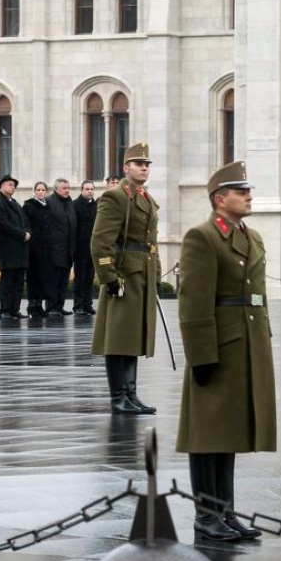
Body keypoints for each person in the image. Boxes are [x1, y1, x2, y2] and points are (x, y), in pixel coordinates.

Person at [176, 161, 277, 542]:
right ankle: (206, 516)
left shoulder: (251, 236)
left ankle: (225, 512)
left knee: (228, 433)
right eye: (241, 191)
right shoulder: (202, 237)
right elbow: (194, 302)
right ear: (221, 199)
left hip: (245, 342)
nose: (249, 196)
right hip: (218, 344)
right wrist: (201, 355)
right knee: (207, 435)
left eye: (248, 190)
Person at [91, 143, 161, 415]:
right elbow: (101, 241)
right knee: (118, 339)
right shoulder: (116, 197)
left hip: (141, 273)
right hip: (124, 275)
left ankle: (131, 394)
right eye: (138, 163)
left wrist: (155, 272)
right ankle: (118, 397)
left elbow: (150, 241)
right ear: (125, 168)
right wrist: (109, 276)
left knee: (132, 337)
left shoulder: (144, 197)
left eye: (147, 164)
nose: (144, 168)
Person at [0, 175, 30, 319]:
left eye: (13, 185)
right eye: (9, 185)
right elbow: (4, 225)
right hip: (8, 249)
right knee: (8, 282)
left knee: (18, 282)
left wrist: (28, 232)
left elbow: (25, 220)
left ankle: (15, 309)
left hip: (20, 249)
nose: (12, 187)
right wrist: (22, 234)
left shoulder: (15, 203)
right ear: (1, 186)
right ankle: (5, 310)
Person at [43, 179, 77, 317]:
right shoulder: (49, 202)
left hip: (68, 249)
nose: (67, 190)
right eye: (64, 188)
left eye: (68, 188)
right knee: (53, 280)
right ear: (56, 189)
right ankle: (51, 307)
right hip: (54, 249)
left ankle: (59, 306)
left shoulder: (69, 202)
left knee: (63, 280)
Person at [24, 181, 50, 318]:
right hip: (33, 248)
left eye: (43, 189)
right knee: (33, 277)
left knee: (43, 277)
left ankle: (39, 304)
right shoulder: (29, 206)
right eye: (38, 190)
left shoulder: (48, 206)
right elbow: (26, 224)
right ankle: (32, 305)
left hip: (45, 248)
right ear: (34, 191)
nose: (40, 192)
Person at [73, 181, 98, 315]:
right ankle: (78, 305)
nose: (90, 191)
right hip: (80, 248)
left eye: (92, 189)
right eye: (87, 189)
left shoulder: (96, 206)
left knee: (89, 278)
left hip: (92, 248)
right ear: (82, 190)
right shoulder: (75, 205)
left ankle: (88, 304)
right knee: (80, 278)